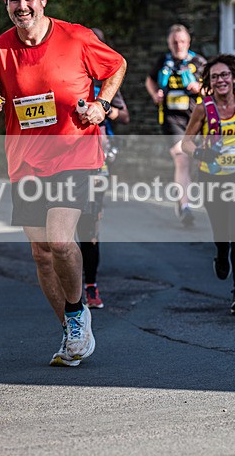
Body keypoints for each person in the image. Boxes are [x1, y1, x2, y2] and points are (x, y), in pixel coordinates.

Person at [0, 0, 127, 366]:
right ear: (6, 4)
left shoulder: (76, 37)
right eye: (13, 0)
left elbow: (116, 64)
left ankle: (76, 316)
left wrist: (102, 105)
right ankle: (73, 332)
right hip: (24, 162)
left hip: (75, 155)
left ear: (43, 0)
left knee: (59, 241)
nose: (22, 6)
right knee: (40, 254)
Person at [181, 54, 235, 315]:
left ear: (234, 78)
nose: (221, 80)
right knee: (221, 232)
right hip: (211, 177)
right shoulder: (202, 108)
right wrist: (199, 153)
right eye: (215, 76)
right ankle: (220, 253)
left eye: (225, 75)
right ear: (209, 81)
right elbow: (186, 142)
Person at [78, 28, 130, 309]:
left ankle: (91, 284)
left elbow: (124, 116)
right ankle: (73, 284)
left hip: (100, 157)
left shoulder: (108, 79)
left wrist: (104, 108)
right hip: (65, 155)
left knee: (90, 224)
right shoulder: (67, 76)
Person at [145, 24, 206, 227]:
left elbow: (213, 88)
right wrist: (156, 95)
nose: (178, 45)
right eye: (174, 42)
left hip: (196, 119)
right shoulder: (163, 61)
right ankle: (185, 206)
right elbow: (150, 80)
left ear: (188, 42)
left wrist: (200, 88)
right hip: (172, 119)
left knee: (196, 161)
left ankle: (188, 196)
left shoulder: (198, 62)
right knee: (181, 159)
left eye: (182, 41)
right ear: (169, 43)